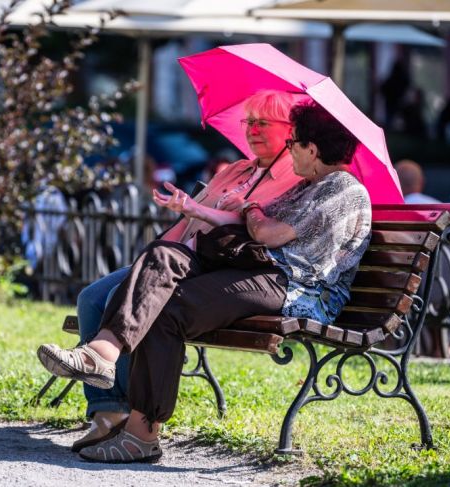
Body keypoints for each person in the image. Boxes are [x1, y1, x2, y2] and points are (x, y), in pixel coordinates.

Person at [37, 100, 372, 463]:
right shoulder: (310, 185)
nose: (289, 149)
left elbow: (269, 233)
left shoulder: (342, 188)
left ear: (313, 148)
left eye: (294, 143)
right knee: (163, 256)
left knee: (171, 309)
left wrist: (249, 208)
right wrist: (201, 211)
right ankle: (102, 353)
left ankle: (141, 435)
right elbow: (252, 228)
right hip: (259, 271)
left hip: (295, 288)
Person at [66, 90, 302, 453]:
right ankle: (107, 411)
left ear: (290, 130)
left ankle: (124, 405)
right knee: (91, 298)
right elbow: (191, 216)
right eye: (249, 122)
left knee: (118, 298)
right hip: (177, 255)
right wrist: (164, 238)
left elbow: (258, 230)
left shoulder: (293, 177)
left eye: (263, 123)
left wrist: (222, 212)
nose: (252, 130)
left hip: (211, 267)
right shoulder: (239, 168)